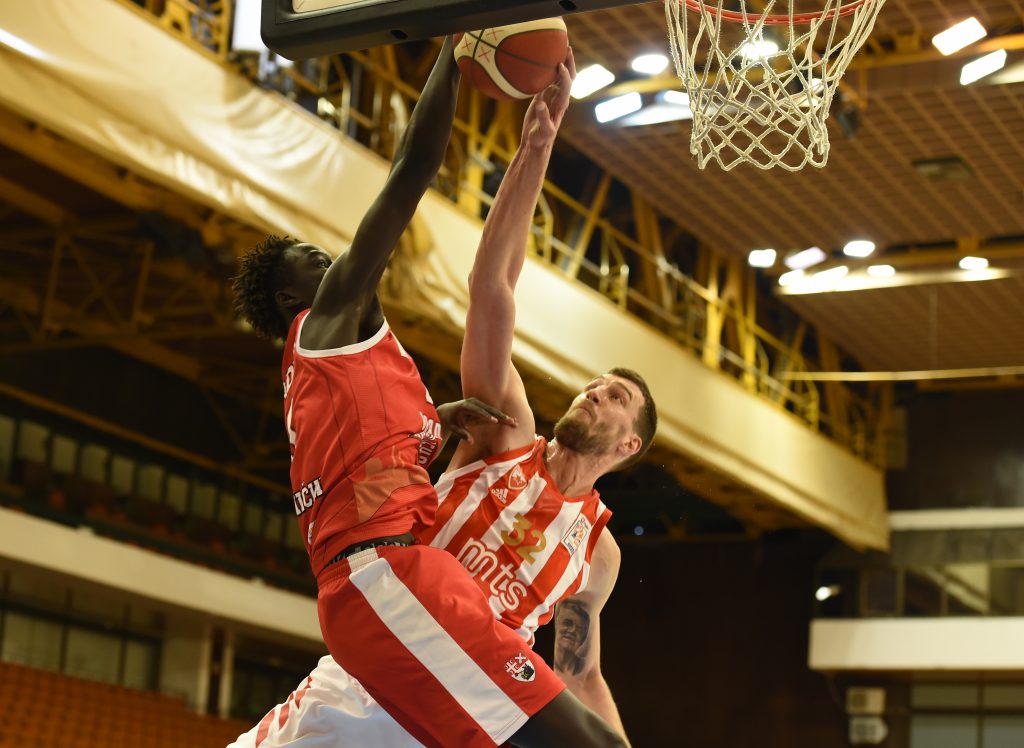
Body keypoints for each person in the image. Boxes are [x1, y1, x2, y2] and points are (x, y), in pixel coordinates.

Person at [230, 48, 657, 748]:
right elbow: (493, 285)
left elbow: (580, 673)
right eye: (595, 383)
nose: (594, 393)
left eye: (615, 397)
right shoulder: (506, 429)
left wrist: (431, 421)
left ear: (628, 445)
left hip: (460, 674)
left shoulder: (598, 554)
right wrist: (535, 149)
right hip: (397, 631)